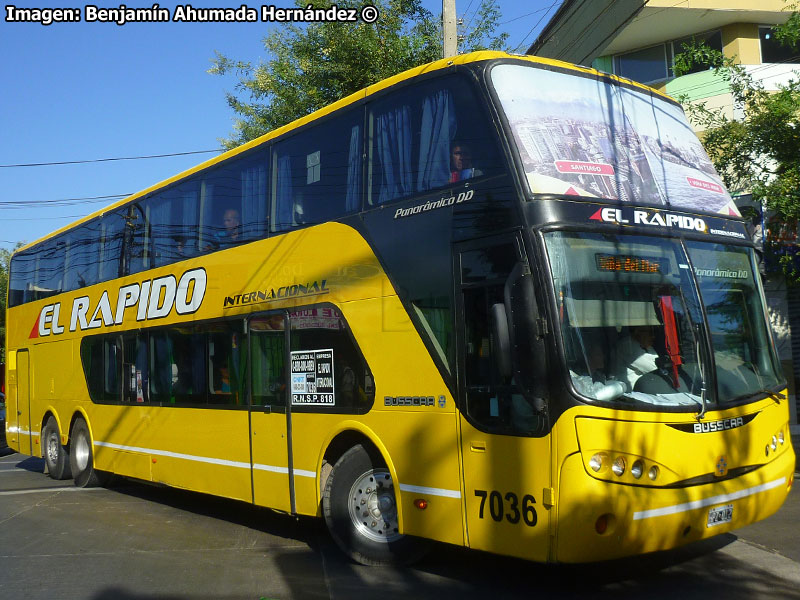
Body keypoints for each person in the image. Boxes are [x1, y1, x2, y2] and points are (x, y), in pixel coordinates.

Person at [613, 326, 659, 391]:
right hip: (627, 394)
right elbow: (656, 368)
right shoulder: (627, 345)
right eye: (650, 332)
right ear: (637, 332)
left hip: (642, 391)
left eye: (654, 332)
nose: (653, 336)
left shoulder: (645, 346)